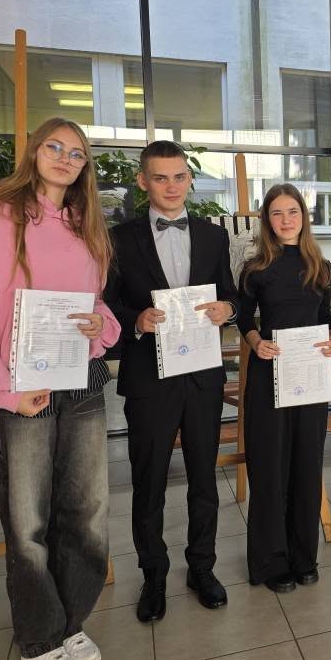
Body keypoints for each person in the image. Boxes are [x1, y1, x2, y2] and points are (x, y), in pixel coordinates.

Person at [0, 117, 121, 660]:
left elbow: (96, 305)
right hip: (21, 388)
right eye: (55, 147)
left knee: (86, 513)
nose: (65, 159)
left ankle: (71, 622)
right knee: (28, 524)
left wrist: (101, 325)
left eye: (77, 153)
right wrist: (0, 391)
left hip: (82, 380)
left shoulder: (87, 225)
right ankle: (39, 638)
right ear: (33, 151)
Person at [103, 140, 239, 622]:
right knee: (149, 482)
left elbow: (231, 294)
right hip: (149, 379)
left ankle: (202, 566)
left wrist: (228, 309)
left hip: (202, 377)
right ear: (143, 182)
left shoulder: (213, 236)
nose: (171, 186)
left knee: (205, 478)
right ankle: (154, 574)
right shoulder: (118, 239)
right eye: (160, 178)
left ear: (190, 179)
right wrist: (136, 321)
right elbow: (107, 305)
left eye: (179, 176)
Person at [237, 184, 331, 593]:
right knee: (270, 468)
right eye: (276, 213)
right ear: (267, 220)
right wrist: (256, 342)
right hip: (269, 375)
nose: (285, 220)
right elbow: (244, 318)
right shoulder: (256, 268)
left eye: (292, 211)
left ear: (303, 216)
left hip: (309, 378)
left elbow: (327, 317)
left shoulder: (321, 267)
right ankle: (271, 561)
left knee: (307, 465)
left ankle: (303, 556)